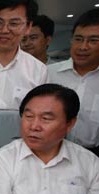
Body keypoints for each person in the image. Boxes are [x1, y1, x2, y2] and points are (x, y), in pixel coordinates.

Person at [48, 8, 99, 156]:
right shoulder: (49, 73)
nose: (83, 47)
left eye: (93, 41)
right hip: (51, 150)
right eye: (78, 39)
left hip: (94, 154)